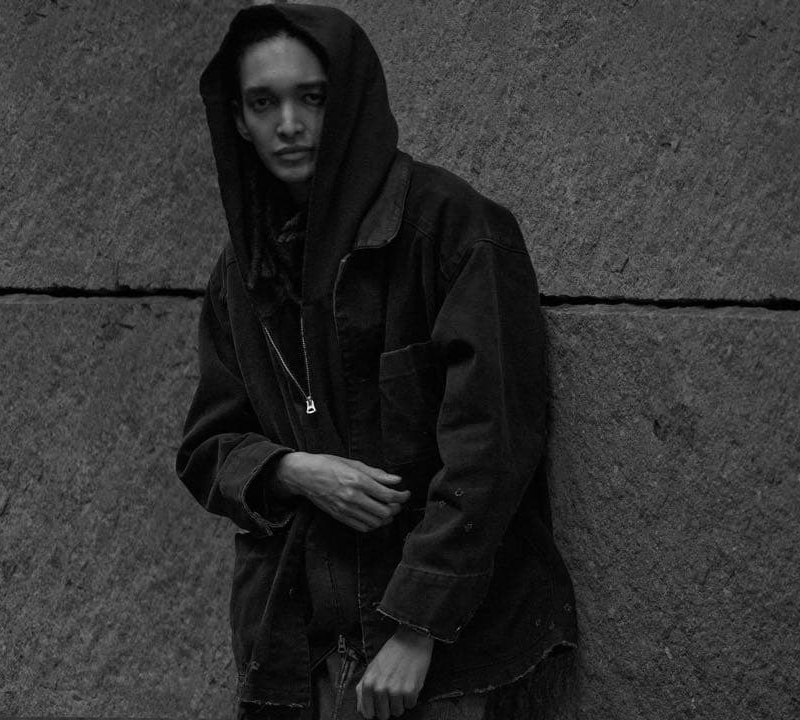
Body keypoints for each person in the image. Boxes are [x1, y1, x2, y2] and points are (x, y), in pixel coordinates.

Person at [176, 5, 577, 719]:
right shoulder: (243, 272)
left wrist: (418, 627)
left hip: (436, 658)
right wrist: (292, 470)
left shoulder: (451, 228)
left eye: (312, 97)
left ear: (350, 99)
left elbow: (493, 445)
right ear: (237, 119)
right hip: (300, 649)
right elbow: (207, 447)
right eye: (263, 103)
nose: (289, 124)